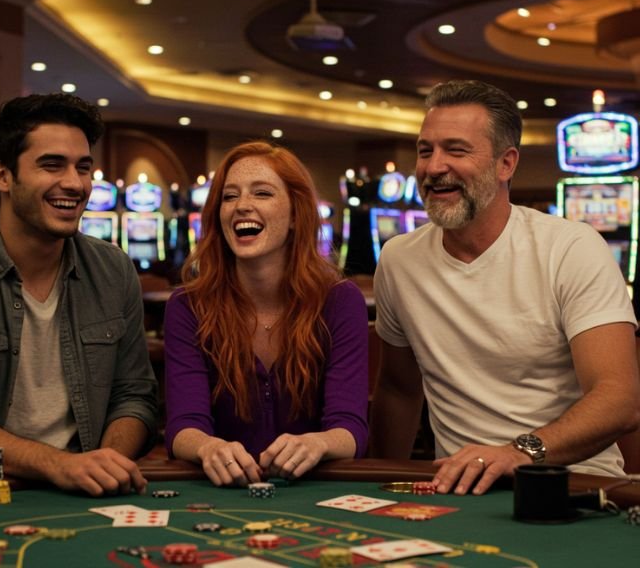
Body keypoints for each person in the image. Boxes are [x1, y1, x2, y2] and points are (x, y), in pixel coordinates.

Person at [371, 80, 640, 495]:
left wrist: (518, 452)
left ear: (506, 164)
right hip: (460, 488)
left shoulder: (571, 247)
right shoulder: (398, 258)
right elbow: (399, 390)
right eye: (426, 151)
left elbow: (620, 399)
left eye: (456, 150)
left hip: (576, 487)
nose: (434, 166)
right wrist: (379, 484)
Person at [0, 93, 158, 496]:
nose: (74, 183)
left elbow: (134, 396)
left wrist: (105, 464)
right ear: (1, 175)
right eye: (52, 165)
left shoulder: (113, 269)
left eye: (83, 167)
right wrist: (58, 464)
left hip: (82, 488)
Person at [164, 141, 369, 487]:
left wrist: (317, 443)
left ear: (294, 215)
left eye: (262, 193)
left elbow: (350, 428)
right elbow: (184, 425)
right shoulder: (188, 306)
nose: (242, 206)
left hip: (313, 489)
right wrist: (207, 447)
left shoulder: (339, 301)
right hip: (224, 490)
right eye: (229, 197)